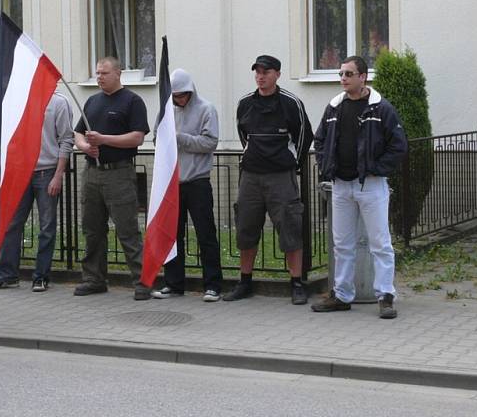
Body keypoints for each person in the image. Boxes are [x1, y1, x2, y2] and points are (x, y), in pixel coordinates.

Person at [311, 55, 407, 319]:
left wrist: (376, 169)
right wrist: (326, 164)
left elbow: (398, 145)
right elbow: (319, 140)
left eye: (349, 74)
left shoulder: (380, 108)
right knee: (341, 244)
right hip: (341, 185)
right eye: (341, 74)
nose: (343, 78)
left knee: (380, 243)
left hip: (371, 186)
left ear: (363, 77)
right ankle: (341, 294)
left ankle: (385, 296)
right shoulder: (334, 108)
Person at [224, 55, 313, 305]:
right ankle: (245, 281)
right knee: (245, 228)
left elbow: (305, 136)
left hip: (281, 177)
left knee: (290, 227)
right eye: (257, 72)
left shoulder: (291, 103)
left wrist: (292, 163)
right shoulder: (245, 103)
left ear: (277, 75)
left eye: (266, 72)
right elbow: (245, 136)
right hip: (250, 177)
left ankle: (296, 283)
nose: (261, 76)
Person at [73, 57, 151, 300]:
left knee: (127, 229)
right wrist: (86, 146)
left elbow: (137, 137)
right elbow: (77, 133)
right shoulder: (92, 101)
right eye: (97, 73)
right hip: (92, 173)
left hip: (119, 173)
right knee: (92, 229)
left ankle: (142, 282)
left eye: (104, 73)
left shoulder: (132, 101)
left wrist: (104, 139)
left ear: (118, 74)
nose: (99, 77)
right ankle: (93, 278)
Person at [0, 92, 74, 292]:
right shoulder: (19, 96)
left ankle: (41, 276)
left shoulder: (59, 102)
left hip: (46, 171)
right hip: (20, 172)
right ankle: (7, 274)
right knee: (11, 224)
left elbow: (67, 139)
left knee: (46, 227)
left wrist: (58, 175)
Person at [151, 69, 223, 302]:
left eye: (182, 95)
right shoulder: (167, 109)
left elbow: (210, 142)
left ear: (190, 91)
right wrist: (164, 136)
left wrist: (179, 137)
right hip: (173, 182)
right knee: (173, 236)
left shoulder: (206, 109)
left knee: (206, 234)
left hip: (198, 181)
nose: (178, 100)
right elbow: (157, 138)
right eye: (174, 96)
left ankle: (212, 285)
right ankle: (173, 284)